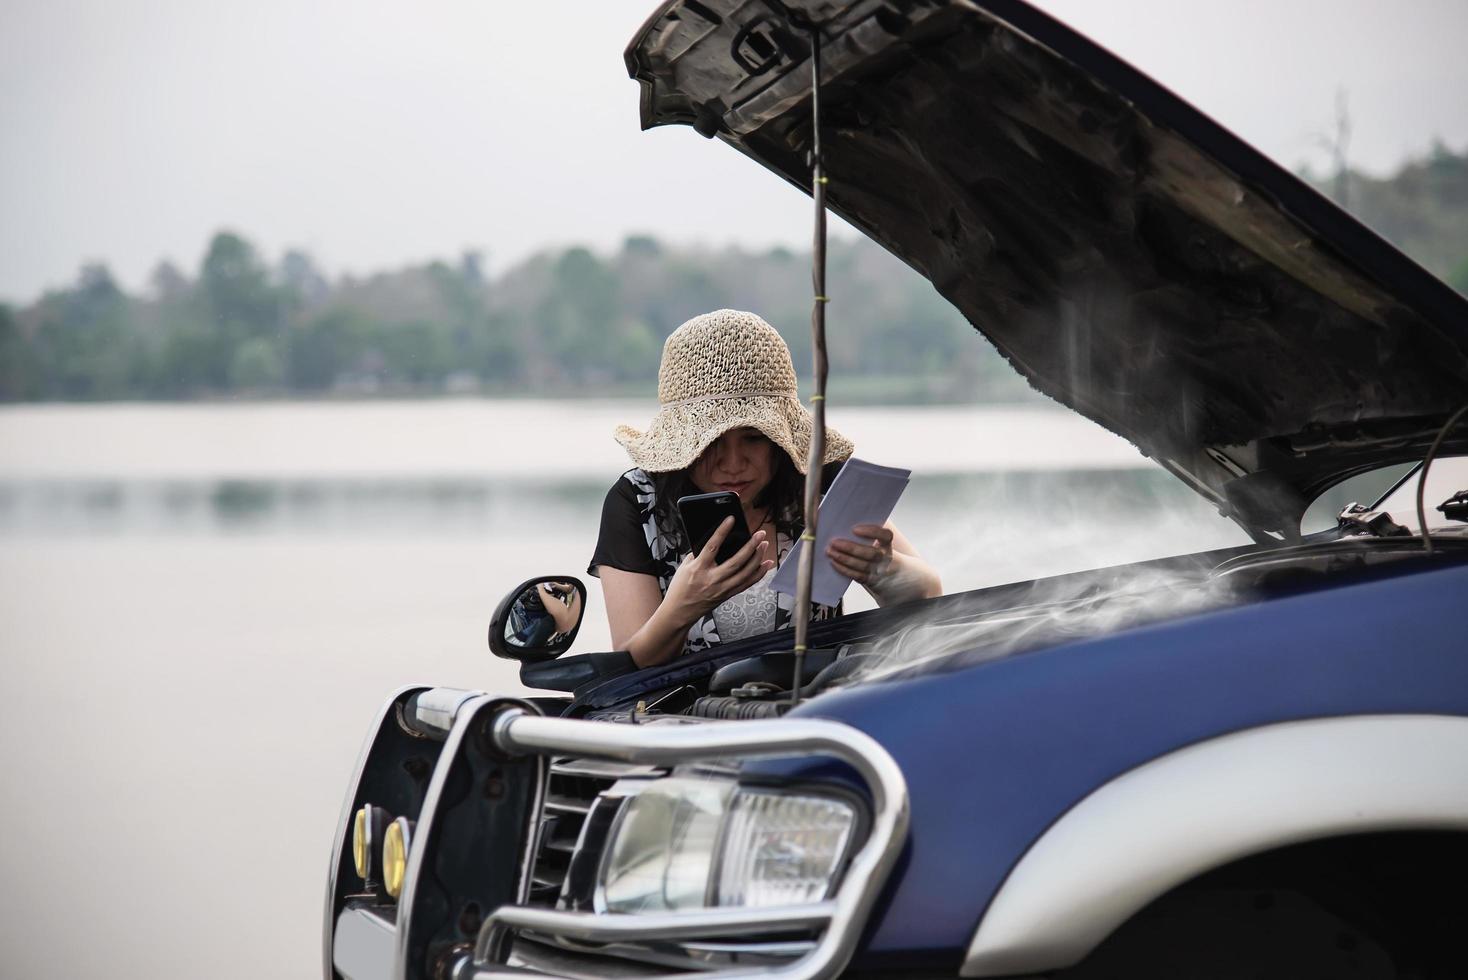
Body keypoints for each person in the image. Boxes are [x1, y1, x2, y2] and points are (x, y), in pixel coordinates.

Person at [588, 309, 941, 667]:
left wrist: (886, 572)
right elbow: (629, 667)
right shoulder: (637, 501)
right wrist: (683, 607)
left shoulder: (819, 481)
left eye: (754, 438)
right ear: (683, 444)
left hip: (818, 701)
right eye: (711, 444)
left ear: (779, 439)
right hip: (686, 716)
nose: (733, 463)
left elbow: (929, 593)